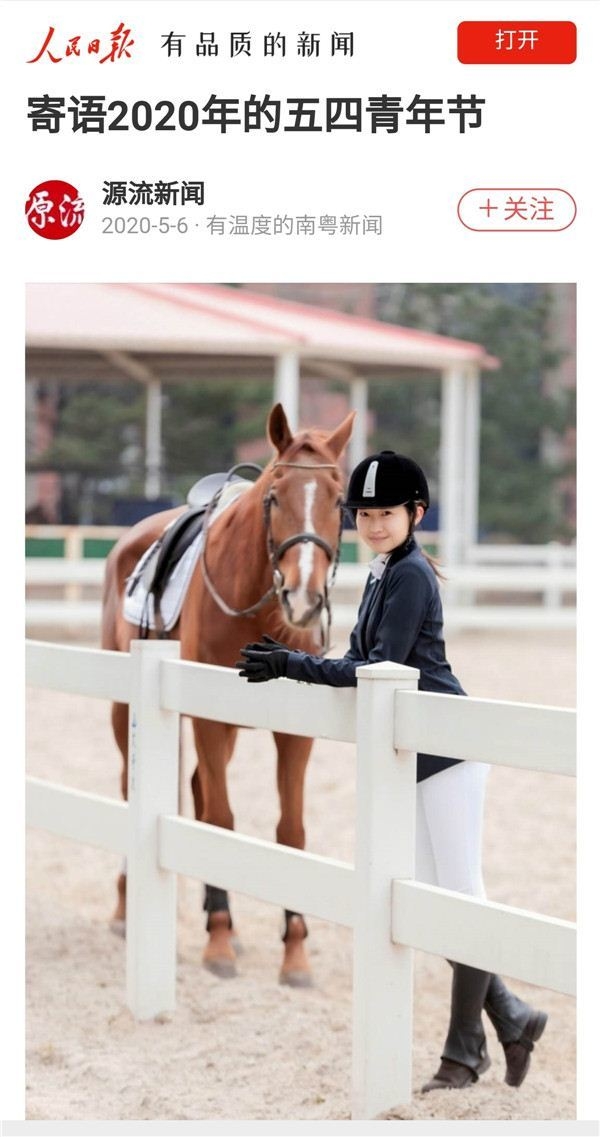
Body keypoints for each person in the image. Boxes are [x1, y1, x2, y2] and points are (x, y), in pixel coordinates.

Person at [237, 449, 547, 1092]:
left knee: (459, 900)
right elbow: (354, 656)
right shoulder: (383, 572)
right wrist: (300, 659)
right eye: (365, 514)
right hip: (415, 759)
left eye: (386, 514)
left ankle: (466, 1055)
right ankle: (511, 1018)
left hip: (448, 757)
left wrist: (293, 665)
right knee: (433, 905)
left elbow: (375, 667)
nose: (374, 524)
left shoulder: (410, 577)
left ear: (416, 513)